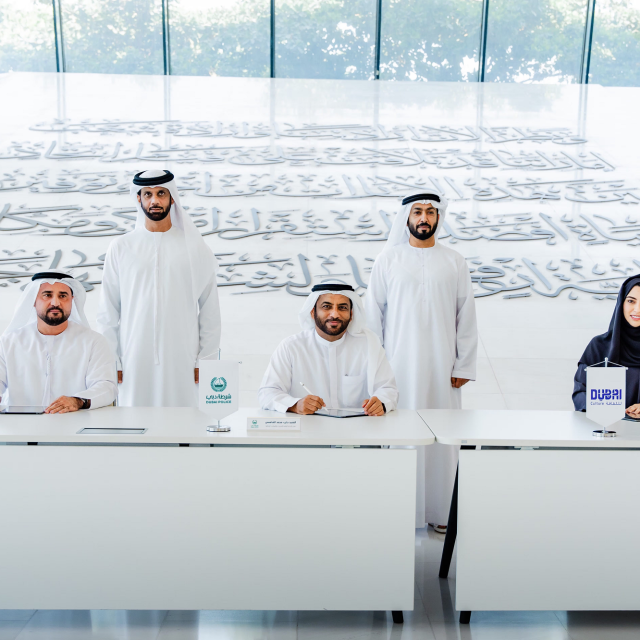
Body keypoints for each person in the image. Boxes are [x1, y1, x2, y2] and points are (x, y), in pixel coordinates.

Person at [365, 193, 477, 533]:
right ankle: (401, 509)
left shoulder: (454, 260)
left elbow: (466, 316)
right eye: (418, 211)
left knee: (444, 436)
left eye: (431, 211)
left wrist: (463, 366)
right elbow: (373, 317)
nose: (424, 217)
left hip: (444, 369)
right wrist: (376, 370)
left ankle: (442, 512)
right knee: (402, 432)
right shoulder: (388, 259)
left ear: (439, 218)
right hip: (398, 367)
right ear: (407, 218)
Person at [97, 169, 221, 407]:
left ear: (172, 198)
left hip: (183, 356)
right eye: (148, 194)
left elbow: (210, 310)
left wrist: (205, 361)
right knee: (133, 422)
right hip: (133, 356)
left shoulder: (195, 248)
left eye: (161, 194)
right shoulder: (121, 247)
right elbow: (108, 310)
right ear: (139, 199)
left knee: (184, 422)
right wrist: (112, 361)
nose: (154, 200)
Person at [259, 282, 398, 415]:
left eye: (342, 307)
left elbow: (388, 388)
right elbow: (267, 393)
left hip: (357, 431)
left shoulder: (369, 345)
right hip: (308, 432)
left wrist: (381, 402)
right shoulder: (291, 347)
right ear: (313, 313)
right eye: (326, 307)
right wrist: (295, 405)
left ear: (351, 315)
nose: (334, 314)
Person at [0, 272, 117, 413]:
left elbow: (106, 387)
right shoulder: (9, 342)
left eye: (62, 296)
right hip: (19, 428)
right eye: (47, 295)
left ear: (71, 300)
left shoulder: (93, 342)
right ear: (33, 300)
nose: (55, 303)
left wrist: (77, 400)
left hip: (75, 428)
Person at [573, 274, 640, 417]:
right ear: (621, 302)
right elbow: (580, 391)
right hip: (607, 431)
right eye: (631, 301)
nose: (637, 309)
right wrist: (604, 410)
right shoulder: (599, 346)